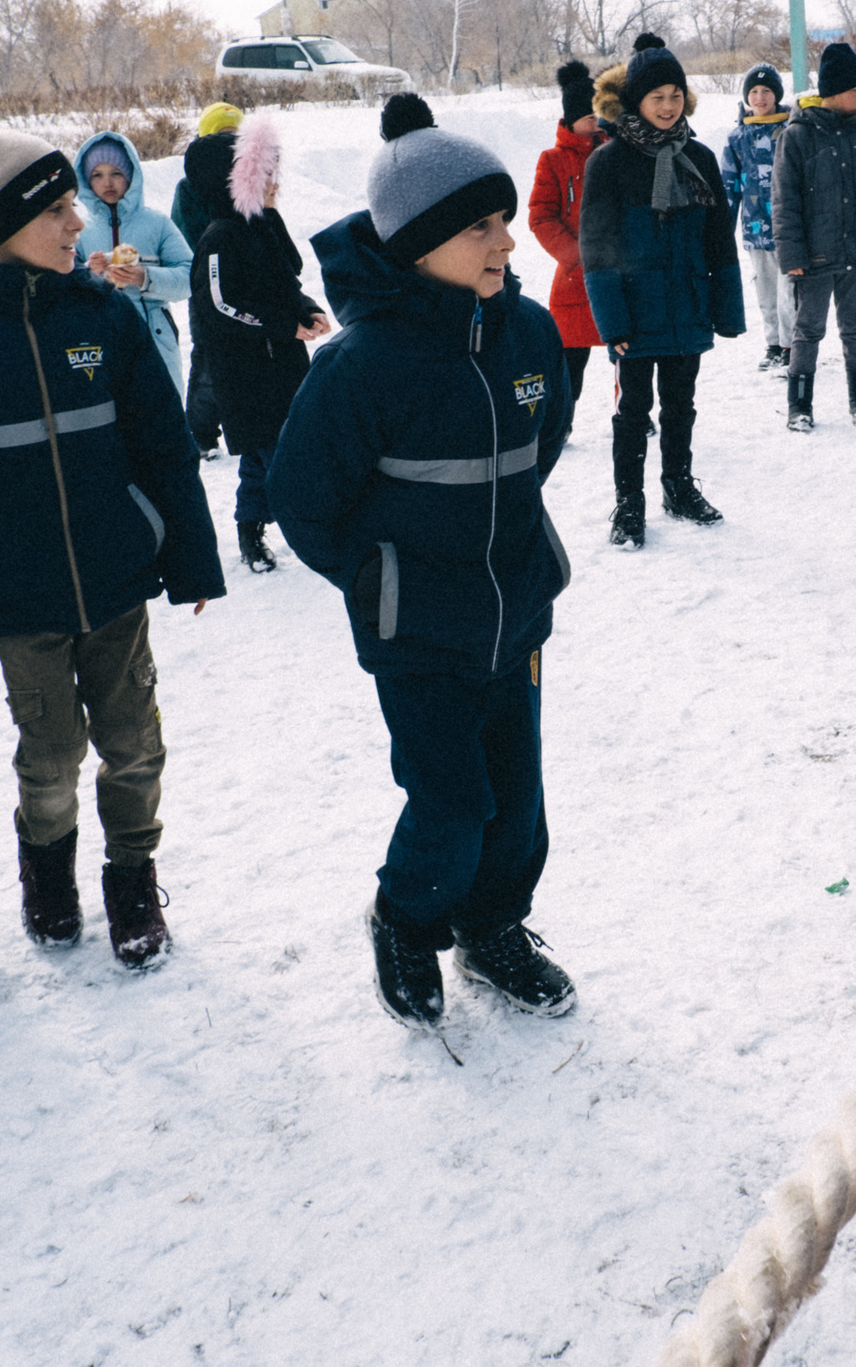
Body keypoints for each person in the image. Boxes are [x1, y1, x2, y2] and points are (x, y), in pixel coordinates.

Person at [269, 94, 575, 1030]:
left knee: (516, 799)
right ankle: (405, 920)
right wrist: (381, 579)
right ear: (418, 244)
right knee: (451, 802)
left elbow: (543, 441)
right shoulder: (362, 365)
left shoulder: (527, 333)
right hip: (418, 635)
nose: (506, 242)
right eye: (481, 227)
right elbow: (304, 499)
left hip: (515, 616)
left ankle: (492, 927)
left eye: (505, 222)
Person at [0, 129, 224, 972]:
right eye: (58, 208)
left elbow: (163, 445)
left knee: (134, 744)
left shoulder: (102, 313)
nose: (79, 222)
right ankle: (46, 869)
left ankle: (133, 878)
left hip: (116, 578)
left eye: (76, 203)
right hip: (15, 591)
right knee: (49, 755)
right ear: (1, 223)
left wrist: (188, 552)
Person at [578, 35, 744, 547]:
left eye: (676, 95)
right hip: (634, 310)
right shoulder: (608, 162)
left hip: (687, 303)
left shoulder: (699, 157)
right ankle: (630, 503)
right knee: (633, 411)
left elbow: (719, 239)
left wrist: (726, 308)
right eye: (657, 97)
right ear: (636, 100)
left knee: (681, 404)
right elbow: (596, 248)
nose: (668, 106)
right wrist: (612, 323)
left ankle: (678, 487)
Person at [187, 111, 329, 574]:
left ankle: (251, 527)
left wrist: (306, 310)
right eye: (264, 175)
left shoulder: (264, 225)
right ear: (234, 182)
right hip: (247, 376)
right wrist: (281, 325)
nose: (274, 184)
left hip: (283, 364)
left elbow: (285, 284)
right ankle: (308, 527)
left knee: (266, 455)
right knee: (282, 456)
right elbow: (221, 305)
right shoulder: (219, 238)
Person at [773, 40, 856, 431]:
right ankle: (799, 405)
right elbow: (784, 202)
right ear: (832, 92)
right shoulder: (797, 136)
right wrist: (792, 256)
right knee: (808, 330)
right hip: (814, 257)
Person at [72, 130, 194, 393]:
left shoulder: (157, 223)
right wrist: (89, 274)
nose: (107, 182)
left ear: (131, 175)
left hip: (156, 341)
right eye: (97, 175)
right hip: (101, 341)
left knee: (162, 409)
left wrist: (145, 278)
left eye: (116, 173)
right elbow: (65, 283)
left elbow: (190, 276)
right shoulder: (79, 229)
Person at [525, 60, 607, 438]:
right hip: (575, 277)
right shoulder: (553, 160)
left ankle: (633, 414)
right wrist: (575, 257)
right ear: (572, 119)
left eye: (599, 115)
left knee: (627, 353)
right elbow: (541, 217)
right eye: (589, 117)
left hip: (617, 269)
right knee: (570, 359)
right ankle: (560, 424)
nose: (596, 123)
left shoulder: (613, 151)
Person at [171, 100, 245, 453]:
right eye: (221, 136)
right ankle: (199, 433)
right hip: (208, 286)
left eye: (235, 136)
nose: (228, 145)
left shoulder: (247, 183)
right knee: (207, 362)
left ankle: (240, 425)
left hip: (243, 285)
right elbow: (188, 237)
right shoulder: (190, 188)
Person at [719, 62, 792, 371]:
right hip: (755, 228)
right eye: (754, 92)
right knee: (766, 290)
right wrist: (722, 227)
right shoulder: (737, 137)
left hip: (789, 228)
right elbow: (728, 185)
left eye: (766, 91)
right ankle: (773, 343)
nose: (760, 98)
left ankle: (791, 345)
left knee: (789, 291)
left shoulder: (790, 131)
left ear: (777, 95)